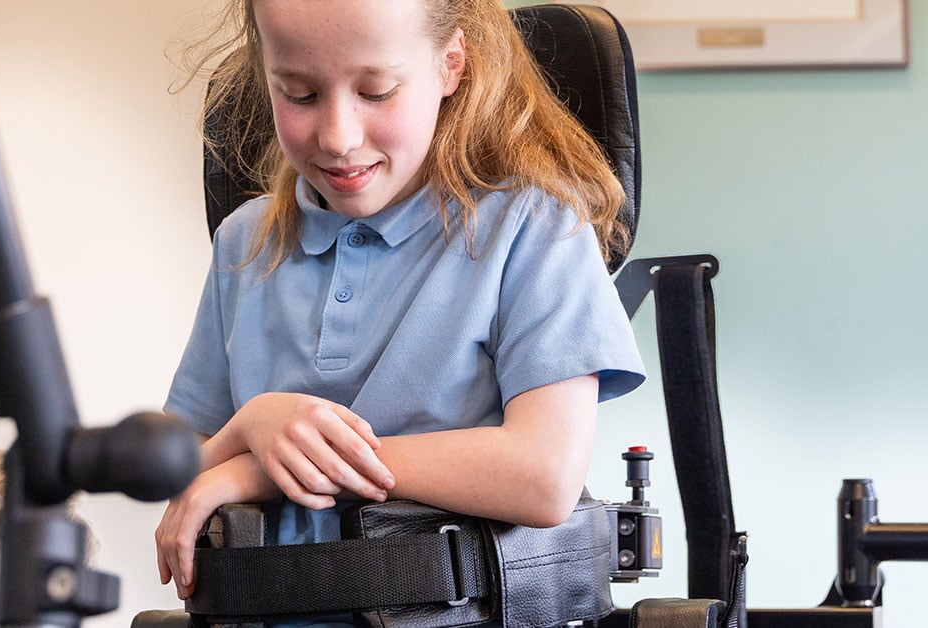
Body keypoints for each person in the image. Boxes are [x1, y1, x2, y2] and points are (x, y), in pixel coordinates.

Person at [155, 0, 647, 619]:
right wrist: (252, 426)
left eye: (377, 90)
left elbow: (543, 475)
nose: (338, 136)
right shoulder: (244, 242)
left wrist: (263, 471)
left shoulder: (534, 226)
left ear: (450, 65)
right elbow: (177, 474)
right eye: (299, 94)